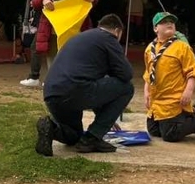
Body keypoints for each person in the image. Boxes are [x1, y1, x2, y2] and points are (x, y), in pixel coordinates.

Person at [34, 14, 134, 156]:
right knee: (127, 88)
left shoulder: (81, 37)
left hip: (52, 94)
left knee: (74, 136)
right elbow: (126, 74)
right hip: (75, 90)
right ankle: (92, 138)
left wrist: (105, 116)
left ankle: (51, 128)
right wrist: (101, 125)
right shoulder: (108, 38)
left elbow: (92, 84)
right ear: (117, 31)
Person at [21, 0, 97, 87]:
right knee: (52, 51)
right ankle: (52, 79)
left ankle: (66, 80)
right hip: (52, 24)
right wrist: (44, 0)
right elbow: (35, 1)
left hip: (74, 26)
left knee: (71, 52)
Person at [144, 11, 195, 142]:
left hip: (174, 100)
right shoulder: (150, 49)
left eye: (171, 22)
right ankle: (189, 116)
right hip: (157, 102)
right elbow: (148, 74)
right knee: (154, 131)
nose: (169, 24)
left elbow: (192, 72)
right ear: (155, 28)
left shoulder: (181, 47)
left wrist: (188, 91)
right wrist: (146, 93)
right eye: (164, 22)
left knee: (171, 134)